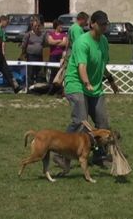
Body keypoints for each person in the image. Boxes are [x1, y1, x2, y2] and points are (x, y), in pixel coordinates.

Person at [49, 10, 119, 173]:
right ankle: (60, 154)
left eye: (106, 24)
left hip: (95, 87)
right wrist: (86, 83)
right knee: (80, 121)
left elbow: (102, 65)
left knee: (103, 123)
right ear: (92, 24)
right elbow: (82, 66)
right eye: (101, 24)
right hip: (77, 84)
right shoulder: (82, 42)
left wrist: (111, 81)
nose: (104, 27)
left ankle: (99, 155)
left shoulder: (104, 42)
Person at [21, 17, 47, 85]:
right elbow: (23, 45)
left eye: (38, 26)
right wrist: (24, 54)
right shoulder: (28, 34)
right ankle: (30, 86)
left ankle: (37, 86)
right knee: (31, 72)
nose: (37, 27)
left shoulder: (42, 35)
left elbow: (44, 44)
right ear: (32, 26)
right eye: (35, 26)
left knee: (38, 72)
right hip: (30, 55)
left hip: (39, 56)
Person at [46, 19, 67, 93]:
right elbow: (50, 42)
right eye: (60, 25)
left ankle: (60, 90)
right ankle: (51, 89)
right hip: (53, 55)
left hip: (61, 56)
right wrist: (59, 41)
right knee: (53, 72)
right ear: (57, 26)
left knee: (60, 72)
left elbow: (64, 43)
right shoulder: (51, 34)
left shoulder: (64, 35)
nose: (62, 27)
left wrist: (55, 42)